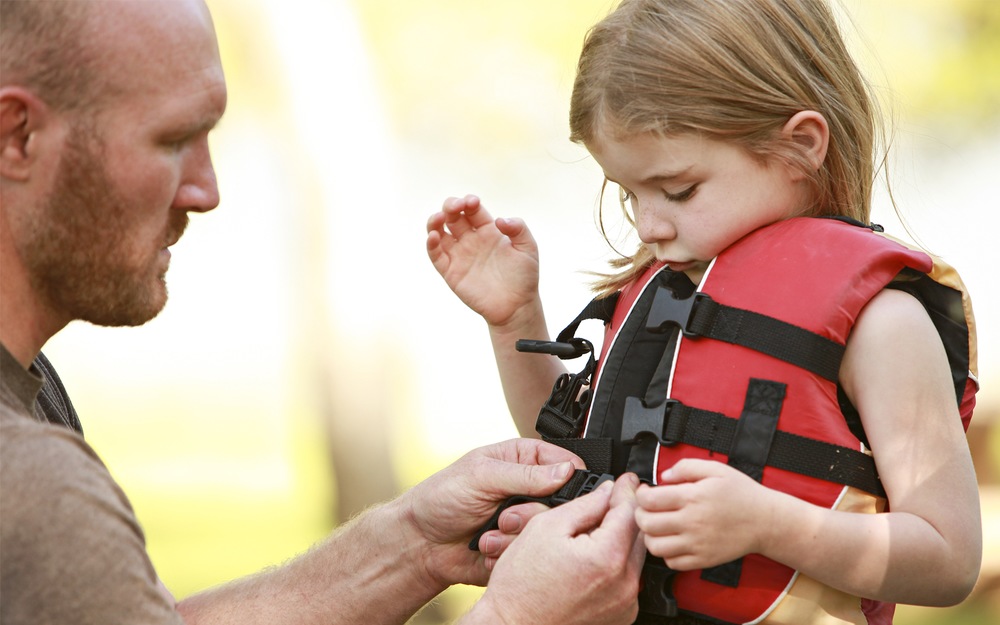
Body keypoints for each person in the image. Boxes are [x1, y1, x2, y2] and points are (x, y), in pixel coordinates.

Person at [0, 1, 647, 623]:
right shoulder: (33, 484)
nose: (208, 190)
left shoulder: (30, 389)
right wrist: (518, 615)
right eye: (171, 141)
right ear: (17, 135)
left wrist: (415, 542)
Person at [426, 0, 982, 623]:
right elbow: (579, 455)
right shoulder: (663, 297)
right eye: (627, 192)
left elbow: (949, 557)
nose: (649, 224)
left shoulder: (883, 326)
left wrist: (770, 524)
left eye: (678, 190)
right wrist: (514, 320)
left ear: (800, 146)